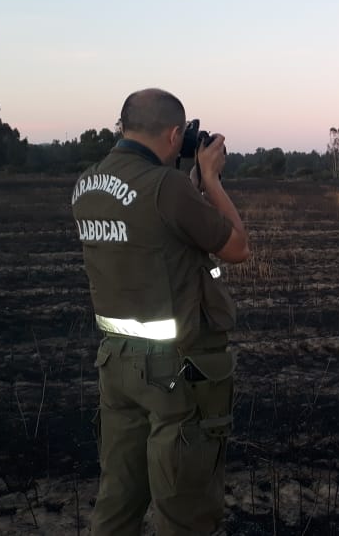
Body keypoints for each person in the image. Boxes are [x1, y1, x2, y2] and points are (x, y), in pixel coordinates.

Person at [71, 88, 250, 535]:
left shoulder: (87, 184)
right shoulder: (166, 187)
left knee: (118, 501)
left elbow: (153, 224)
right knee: (183, 509)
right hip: (175, 370)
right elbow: (237, 247)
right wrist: (210, 178)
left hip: (116, 363)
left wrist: (184, 185)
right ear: (175, 135)